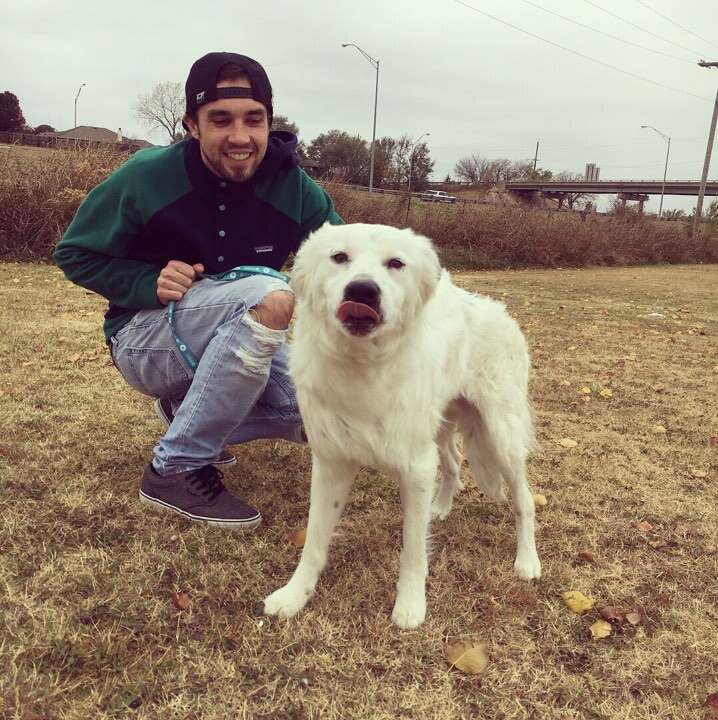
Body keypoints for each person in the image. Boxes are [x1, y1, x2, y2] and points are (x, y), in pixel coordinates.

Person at [54, 52, 343, 531]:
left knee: (323, 415)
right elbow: (74, 254)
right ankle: (175, 468)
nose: (240, 137)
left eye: (254, 120)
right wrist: (146, 282)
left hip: (241, 333)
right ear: (191, 124)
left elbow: (345, 260)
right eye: (220, 120)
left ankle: (184, 411)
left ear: (270, 122)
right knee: (268, 292)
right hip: (145, 338)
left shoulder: (293, 186)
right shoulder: (146, 176)